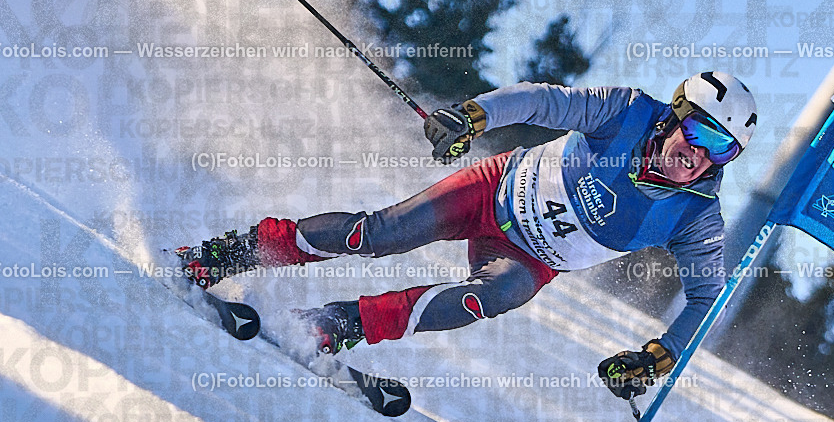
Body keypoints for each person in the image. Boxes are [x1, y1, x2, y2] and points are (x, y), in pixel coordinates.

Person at [176, 71, 758, 400]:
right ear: (676, 115)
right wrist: (473, 115)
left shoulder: (696, 215)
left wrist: (657, 358)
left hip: (529, 259)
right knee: (377, 234)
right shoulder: (627, 112)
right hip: (495, 191)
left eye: (722, 149)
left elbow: (708, 300)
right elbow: (544, 101)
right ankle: (221, 256)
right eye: (699, 132)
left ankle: (331, 326)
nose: (699, 155)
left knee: (488, 298)